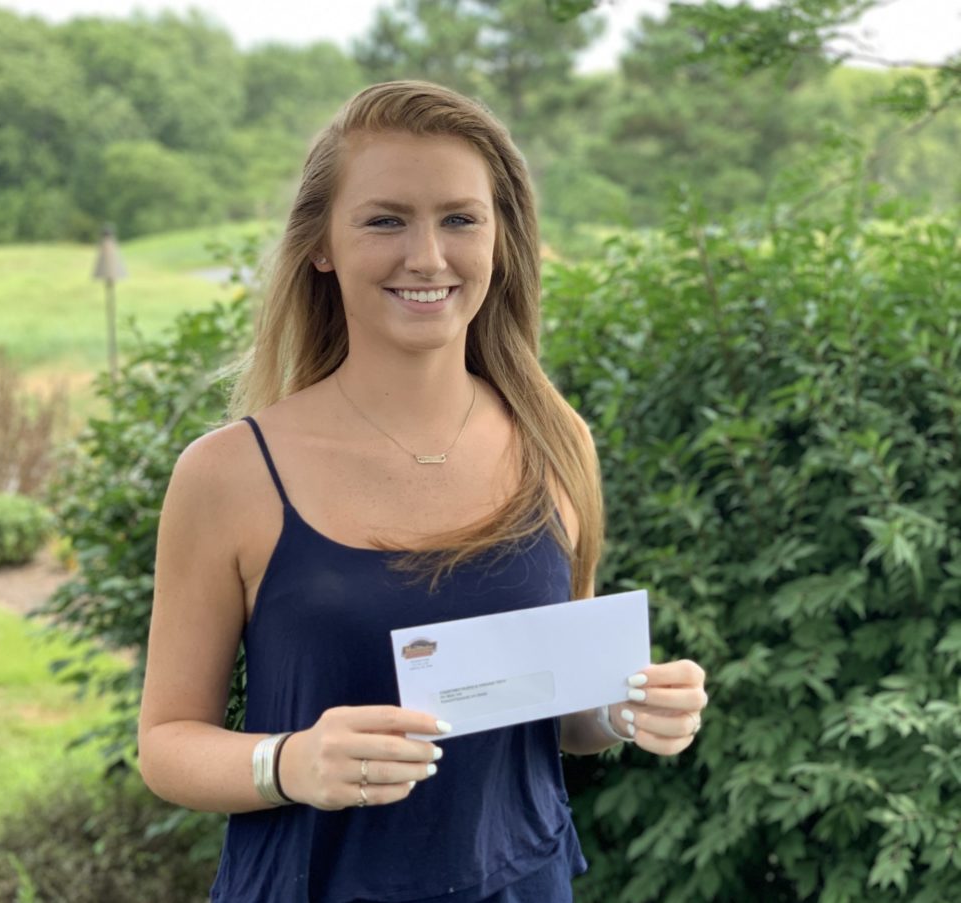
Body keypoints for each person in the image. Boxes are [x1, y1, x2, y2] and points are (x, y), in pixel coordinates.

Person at [138, 80, 708, 902]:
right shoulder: (229, 473)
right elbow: (166, 743)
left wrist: (626, 708)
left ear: (501, 240)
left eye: (460, 219)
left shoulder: (557, 442)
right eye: (385, 220)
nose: (429, 257)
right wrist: (290, 762)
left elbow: (558, 710)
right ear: (321, 244)